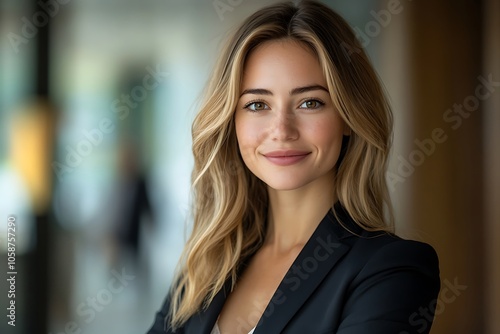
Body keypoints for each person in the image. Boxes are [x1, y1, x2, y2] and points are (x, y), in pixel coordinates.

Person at [147, 1, 440, 333]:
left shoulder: (392, 270)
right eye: (258, 104)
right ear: (232, 121)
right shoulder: (206, 266)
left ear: (347, 116)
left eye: (310, 102)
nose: (282, 130)